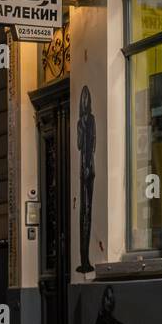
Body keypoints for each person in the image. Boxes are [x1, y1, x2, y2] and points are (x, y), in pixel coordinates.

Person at [76, 85, 95, 274]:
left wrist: (88, 165)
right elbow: (80, 143)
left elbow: (89, 144)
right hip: (84, 169)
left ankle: (86, 258)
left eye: (85, 99)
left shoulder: (90, 121)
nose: (85, 102)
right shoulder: (81, 122)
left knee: (87, 210)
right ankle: (83, 258)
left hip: (88, 168)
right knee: (84, 210)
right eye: (84, 99)